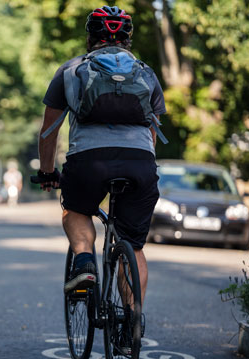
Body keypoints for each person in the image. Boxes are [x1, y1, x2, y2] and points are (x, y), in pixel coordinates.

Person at [36, 6, 166, 321]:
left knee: (76, 210)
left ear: (90, 37)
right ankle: (131, 321)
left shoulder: (70, 70)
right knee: (132, 246)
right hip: (139, 163)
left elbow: (49, 132)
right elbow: (152, 131)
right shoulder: (146, 72)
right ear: (127, 40)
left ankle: (83, 261)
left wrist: (47, 173)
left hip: (88, 162)